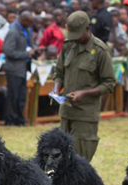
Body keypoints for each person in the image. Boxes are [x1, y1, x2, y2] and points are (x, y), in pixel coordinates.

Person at [53, 11, 114, 162]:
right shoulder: (68, 46)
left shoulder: (101, 51)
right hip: (66, 112)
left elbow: (109, 83)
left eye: (77, 34)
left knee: (80, 161)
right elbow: (59, 72)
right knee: (61, 160)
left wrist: (84, 93)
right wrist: (56, 89)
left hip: (85, 114)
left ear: (88, 28)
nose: (75, 38)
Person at [3, 11, 35, 126]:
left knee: (21, 97)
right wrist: (26, 54)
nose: (31, 25)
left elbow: (28, 46)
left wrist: (34, 50)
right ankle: (10, 121)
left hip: (22, 69)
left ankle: (20, 120)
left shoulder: (25, 30)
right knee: (13, 96)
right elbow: (8, 51)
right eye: (30, 22)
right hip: (13, 69)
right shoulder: (13, 31)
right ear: (24, 20)